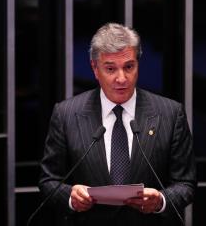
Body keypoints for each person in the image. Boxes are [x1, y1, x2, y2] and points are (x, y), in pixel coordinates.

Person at [38, 23, 196, 226]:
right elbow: (48, 181)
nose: (121, 78)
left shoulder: (170, 114)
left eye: (129, 67)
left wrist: (160, 201)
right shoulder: (66, 114)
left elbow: (186, 183)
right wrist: (71, 196)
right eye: (110, 68)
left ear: (138, 65)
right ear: (95, 68)